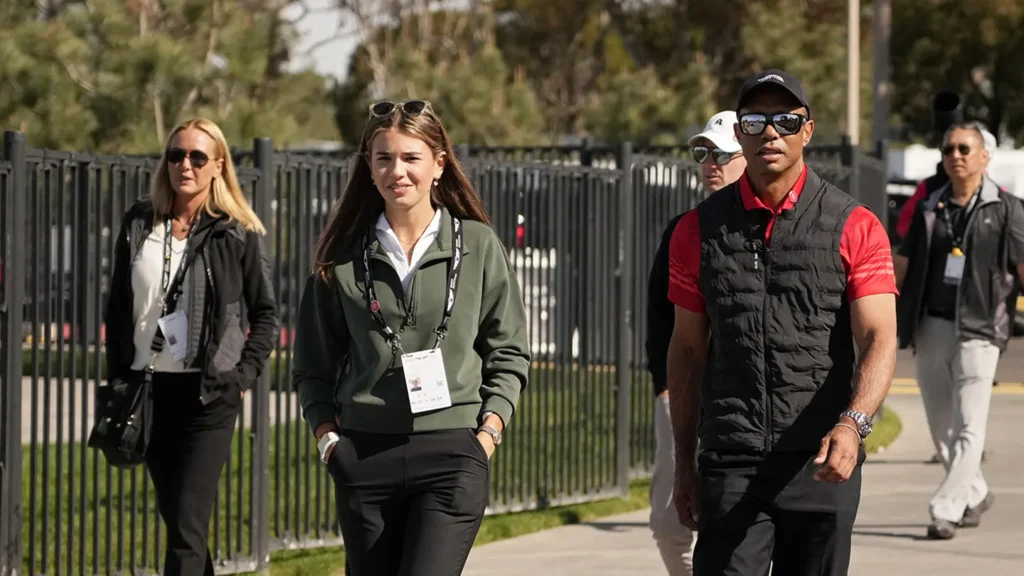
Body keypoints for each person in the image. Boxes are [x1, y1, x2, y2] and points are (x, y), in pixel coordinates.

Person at [665, 69, 899, 576]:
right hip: (731, 459)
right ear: (740, 134)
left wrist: (853, 425)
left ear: (807, 131)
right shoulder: (695, 232)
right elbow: (686, 351)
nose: (771, 132)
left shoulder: (855, 225)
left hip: (821, 463)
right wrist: (686, 462)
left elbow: (880, 337)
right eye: (755, 121)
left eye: (786, 121)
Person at [292, 99, 531, 575]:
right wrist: (329, 441)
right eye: (384, 158)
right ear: (368, 166)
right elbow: (312, 366)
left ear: (439, 163)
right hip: (364, 456)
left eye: (410, 158)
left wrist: (488, 433)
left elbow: (508, 351)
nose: (396, 171)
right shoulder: (340, 257)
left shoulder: (479, 245)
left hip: (453, 455)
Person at [103, 118, 279, 575]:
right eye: (176, 155)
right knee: (182, 526)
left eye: (198, 157)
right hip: (150, 391)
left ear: (218, 166)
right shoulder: (140, 222)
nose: (185, 165)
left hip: (208, 397)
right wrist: (119, 373)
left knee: (185, 523)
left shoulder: (235, 231)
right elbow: (119, 306)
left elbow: (265, 316)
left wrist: (239, 379)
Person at [893, 121, 1024, 540]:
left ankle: (945, 508)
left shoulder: (1009, 209)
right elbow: (903, 265)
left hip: (982, 328)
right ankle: (977, 490)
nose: (956, 156)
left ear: (985, 156)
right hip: (932, 324)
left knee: (970, 425)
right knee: (941, 424)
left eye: (965, 148)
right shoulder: (930, 207)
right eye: (948, 149)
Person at [644, 109, 746, 576]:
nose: (711, 162)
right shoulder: (682, 229)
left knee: (736, 521)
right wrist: (665, 388)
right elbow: (657, 317)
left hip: (742, 401)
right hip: (684, 393)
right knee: (669, 525)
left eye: (723, 153)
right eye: (703, 152)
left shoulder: (768, 228)